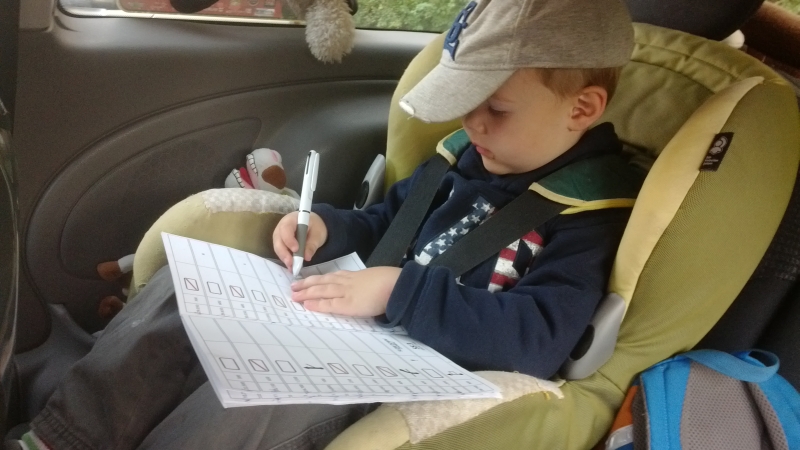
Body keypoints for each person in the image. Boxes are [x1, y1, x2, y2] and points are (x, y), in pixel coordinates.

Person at [9, 0, 637, 449]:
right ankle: (65, 436)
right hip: (354, 325)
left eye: (495, 109)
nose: (472, 123)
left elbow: (538, 338)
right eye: (465, 104)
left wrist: (401, 291)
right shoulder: (464, 157)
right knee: (183, 294)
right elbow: (387, 223)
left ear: (582, 108)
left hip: (418, 371)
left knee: (271, 394)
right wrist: (329, 230)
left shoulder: (587, 214)